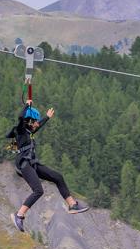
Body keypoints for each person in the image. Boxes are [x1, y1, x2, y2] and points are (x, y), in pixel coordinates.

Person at [7, 99, 88, 231]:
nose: (37, 124)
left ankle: (72, 204)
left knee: (58, 177)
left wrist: (47, 118)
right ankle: (19, 215)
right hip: (24, 164)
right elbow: (21, 117)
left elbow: (38, 126)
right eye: (35, 121)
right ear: (29, 122)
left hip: (32, 163)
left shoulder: (29, 132)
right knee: (38, 190)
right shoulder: (21, 130)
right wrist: (27, 104)